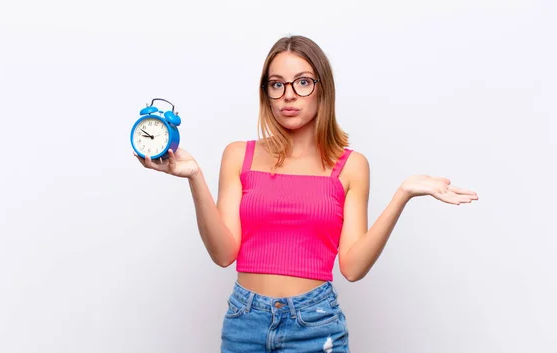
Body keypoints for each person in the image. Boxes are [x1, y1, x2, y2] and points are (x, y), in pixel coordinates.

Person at [134, 35, 478, 352]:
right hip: (245, 322)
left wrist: (403, 193)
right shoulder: (239, 155)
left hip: (315, 323)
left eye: (302, 82)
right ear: (265, 92)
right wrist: (194, 176)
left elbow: (353, 267)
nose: (288, 95)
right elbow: (224, 254)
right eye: (277, 84)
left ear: (322, 89)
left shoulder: (351, 166)